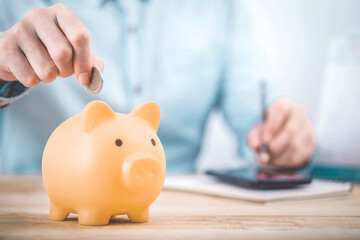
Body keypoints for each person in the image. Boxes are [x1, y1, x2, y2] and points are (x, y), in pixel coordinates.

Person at [0, 0, 315, 174]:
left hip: (177, 210)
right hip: (43, 199)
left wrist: (281, 139)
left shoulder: (221, 7)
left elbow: (257, 126)